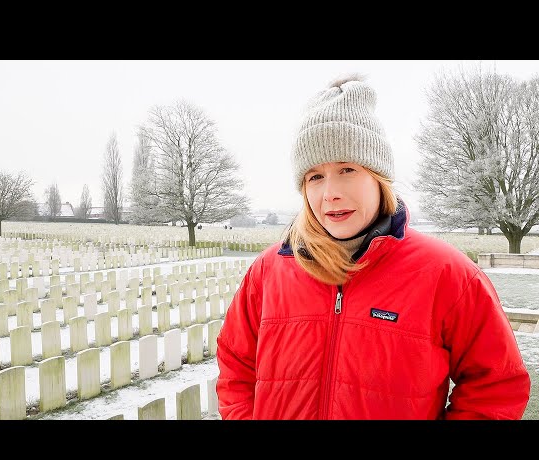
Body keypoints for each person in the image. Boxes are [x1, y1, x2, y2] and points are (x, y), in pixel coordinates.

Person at [215, 73, 531, 420]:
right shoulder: (269, 271)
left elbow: (496, 386)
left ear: (379, 178)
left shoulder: (448, 274)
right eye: (315, 177)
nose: (330, 192)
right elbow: (236, 367)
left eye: (347, 169)